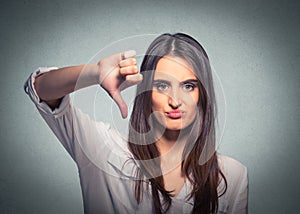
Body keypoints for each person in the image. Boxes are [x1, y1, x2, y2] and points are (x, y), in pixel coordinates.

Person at [24, 33, 248, 214]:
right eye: (162, 86)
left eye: (188, 86)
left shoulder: (232, 175)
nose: (176, 101)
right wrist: (94, 72)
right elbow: (39, 90)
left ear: (203, 94)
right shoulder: (102, 149)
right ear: (146, 92)